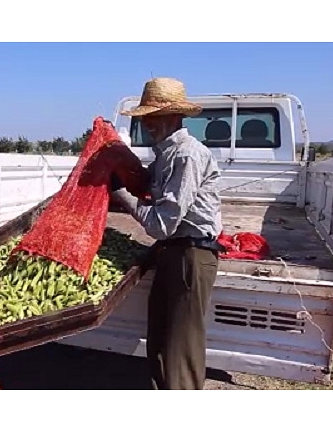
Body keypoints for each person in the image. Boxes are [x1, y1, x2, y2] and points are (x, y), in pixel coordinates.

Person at [109, 77, 223, 390]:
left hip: (191, 255)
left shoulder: (186, 156)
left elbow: (162, 224)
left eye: (154, 117)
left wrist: (122, 196)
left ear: (175, 116)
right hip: (174, 252)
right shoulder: (165, 155)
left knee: (179, 348)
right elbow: (150, 188)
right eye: (145, 118)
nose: (147, 124)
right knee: (160, 340)